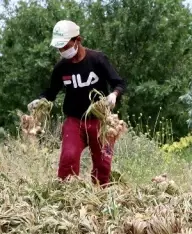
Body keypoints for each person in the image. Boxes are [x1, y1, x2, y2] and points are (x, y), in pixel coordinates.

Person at [27, 20, 126, 186]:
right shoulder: (61, 68)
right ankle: (67, 194)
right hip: (74, 121)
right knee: (68, 157)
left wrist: (114, 95)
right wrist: (40, 101)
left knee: (103, 164)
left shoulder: (97, 59)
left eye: (65, 46)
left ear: (77, 40)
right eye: (59, 48)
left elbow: (119, 83)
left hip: (100, 122)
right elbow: (51, 92)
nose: (62, 51)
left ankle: (100, 195)